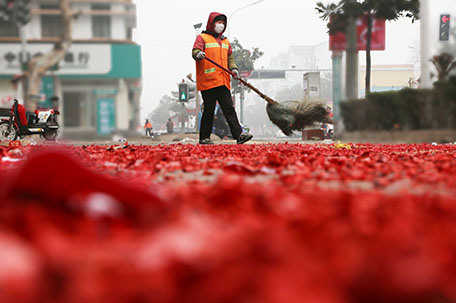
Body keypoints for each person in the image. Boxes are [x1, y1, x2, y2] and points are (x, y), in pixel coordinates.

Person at [192, 12, 253, 145]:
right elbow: (195, 51)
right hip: (208, 81)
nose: (220, 25)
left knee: (229, 108)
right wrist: (198, 54)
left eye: (222, 23)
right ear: (211, 23)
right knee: (209, 109)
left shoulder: (225, 41)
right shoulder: (202, 38)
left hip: (223, 80)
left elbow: (230, 57)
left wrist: (234, 68)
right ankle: (204, 138)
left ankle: (239, 135)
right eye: (218, 22)